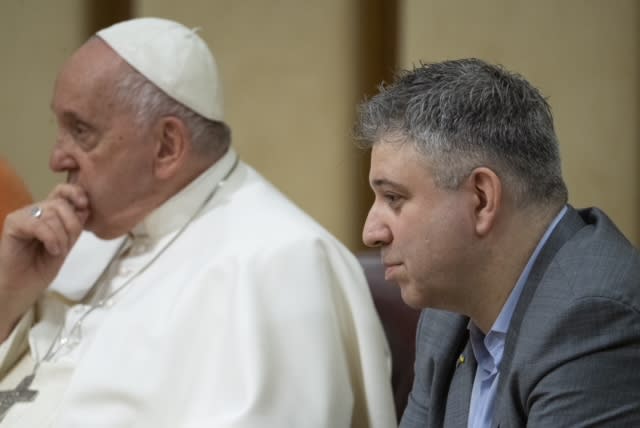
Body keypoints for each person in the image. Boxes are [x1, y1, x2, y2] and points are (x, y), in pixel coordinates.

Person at [0, 17, 397, 427]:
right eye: (60, 127)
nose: (56, 159)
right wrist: (7, 297)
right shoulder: (82, 239)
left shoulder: (281, 263)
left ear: (167, 146)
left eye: (81, 132)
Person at [356, 58, 640, 427]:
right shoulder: (446, 316)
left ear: (482, 198)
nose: (371, 232)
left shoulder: (592, 317)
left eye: (394, 198)